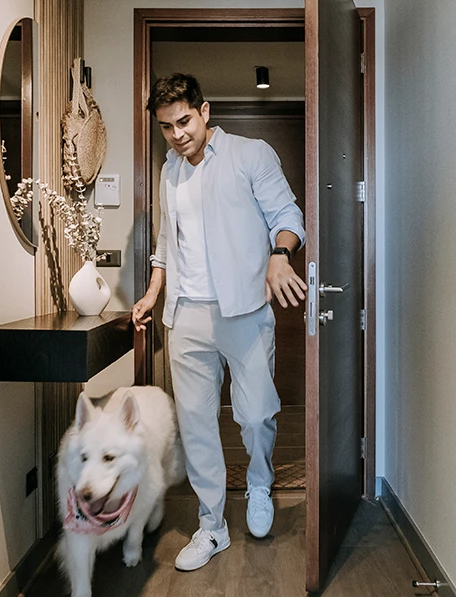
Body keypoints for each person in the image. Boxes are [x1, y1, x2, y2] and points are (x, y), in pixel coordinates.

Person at [131, 73, 307, 571]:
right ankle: (212, 525)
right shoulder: (169, 171)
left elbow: (289, 214)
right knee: (196, 424)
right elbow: (169, 241)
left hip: (244, 309)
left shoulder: (251, 155)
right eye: (166, 127)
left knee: (255, 414)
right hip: (185, 314)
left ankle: (257, 482)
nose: (177, 134)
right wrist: (151, 292)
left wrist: (279, 254)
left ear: (205, 111)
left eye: (183, 121)